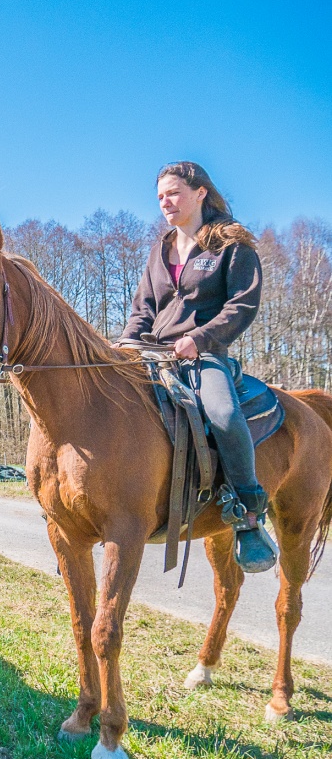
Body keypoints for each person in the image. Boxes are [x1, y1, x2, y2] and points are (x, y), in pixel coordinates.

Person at [117, 161, 276, 572]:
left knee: (222, 413)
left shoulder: (231, 244)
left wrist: (199, 339)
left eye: (172, 193)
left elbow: (242, 305)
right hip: (153, 353)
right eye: (159, 198)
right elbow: (143, 310)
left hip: (204, 355)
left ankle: (248, 514)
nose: (164, 203)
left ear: (200, 192)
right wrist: (126, 345)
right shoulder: (161, 249)